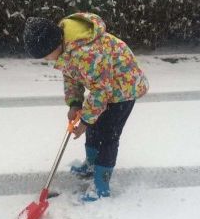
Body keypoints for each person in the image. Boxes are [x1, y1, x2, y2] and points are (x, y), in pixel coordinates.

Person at [23, 12, 148, 201]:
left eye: (46, 55)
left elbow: (100, 91)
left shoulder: (86, 53)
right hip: (106, 86)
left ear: (54, 45)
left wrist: (85, 119)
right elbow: (72, 76)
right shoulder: (68, 48)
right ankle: (91, 165)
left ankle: (101, 186)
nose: (47, 60)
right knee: (93, 127)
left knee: (108, 135)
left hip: (124, 89)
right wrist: (74, 103)